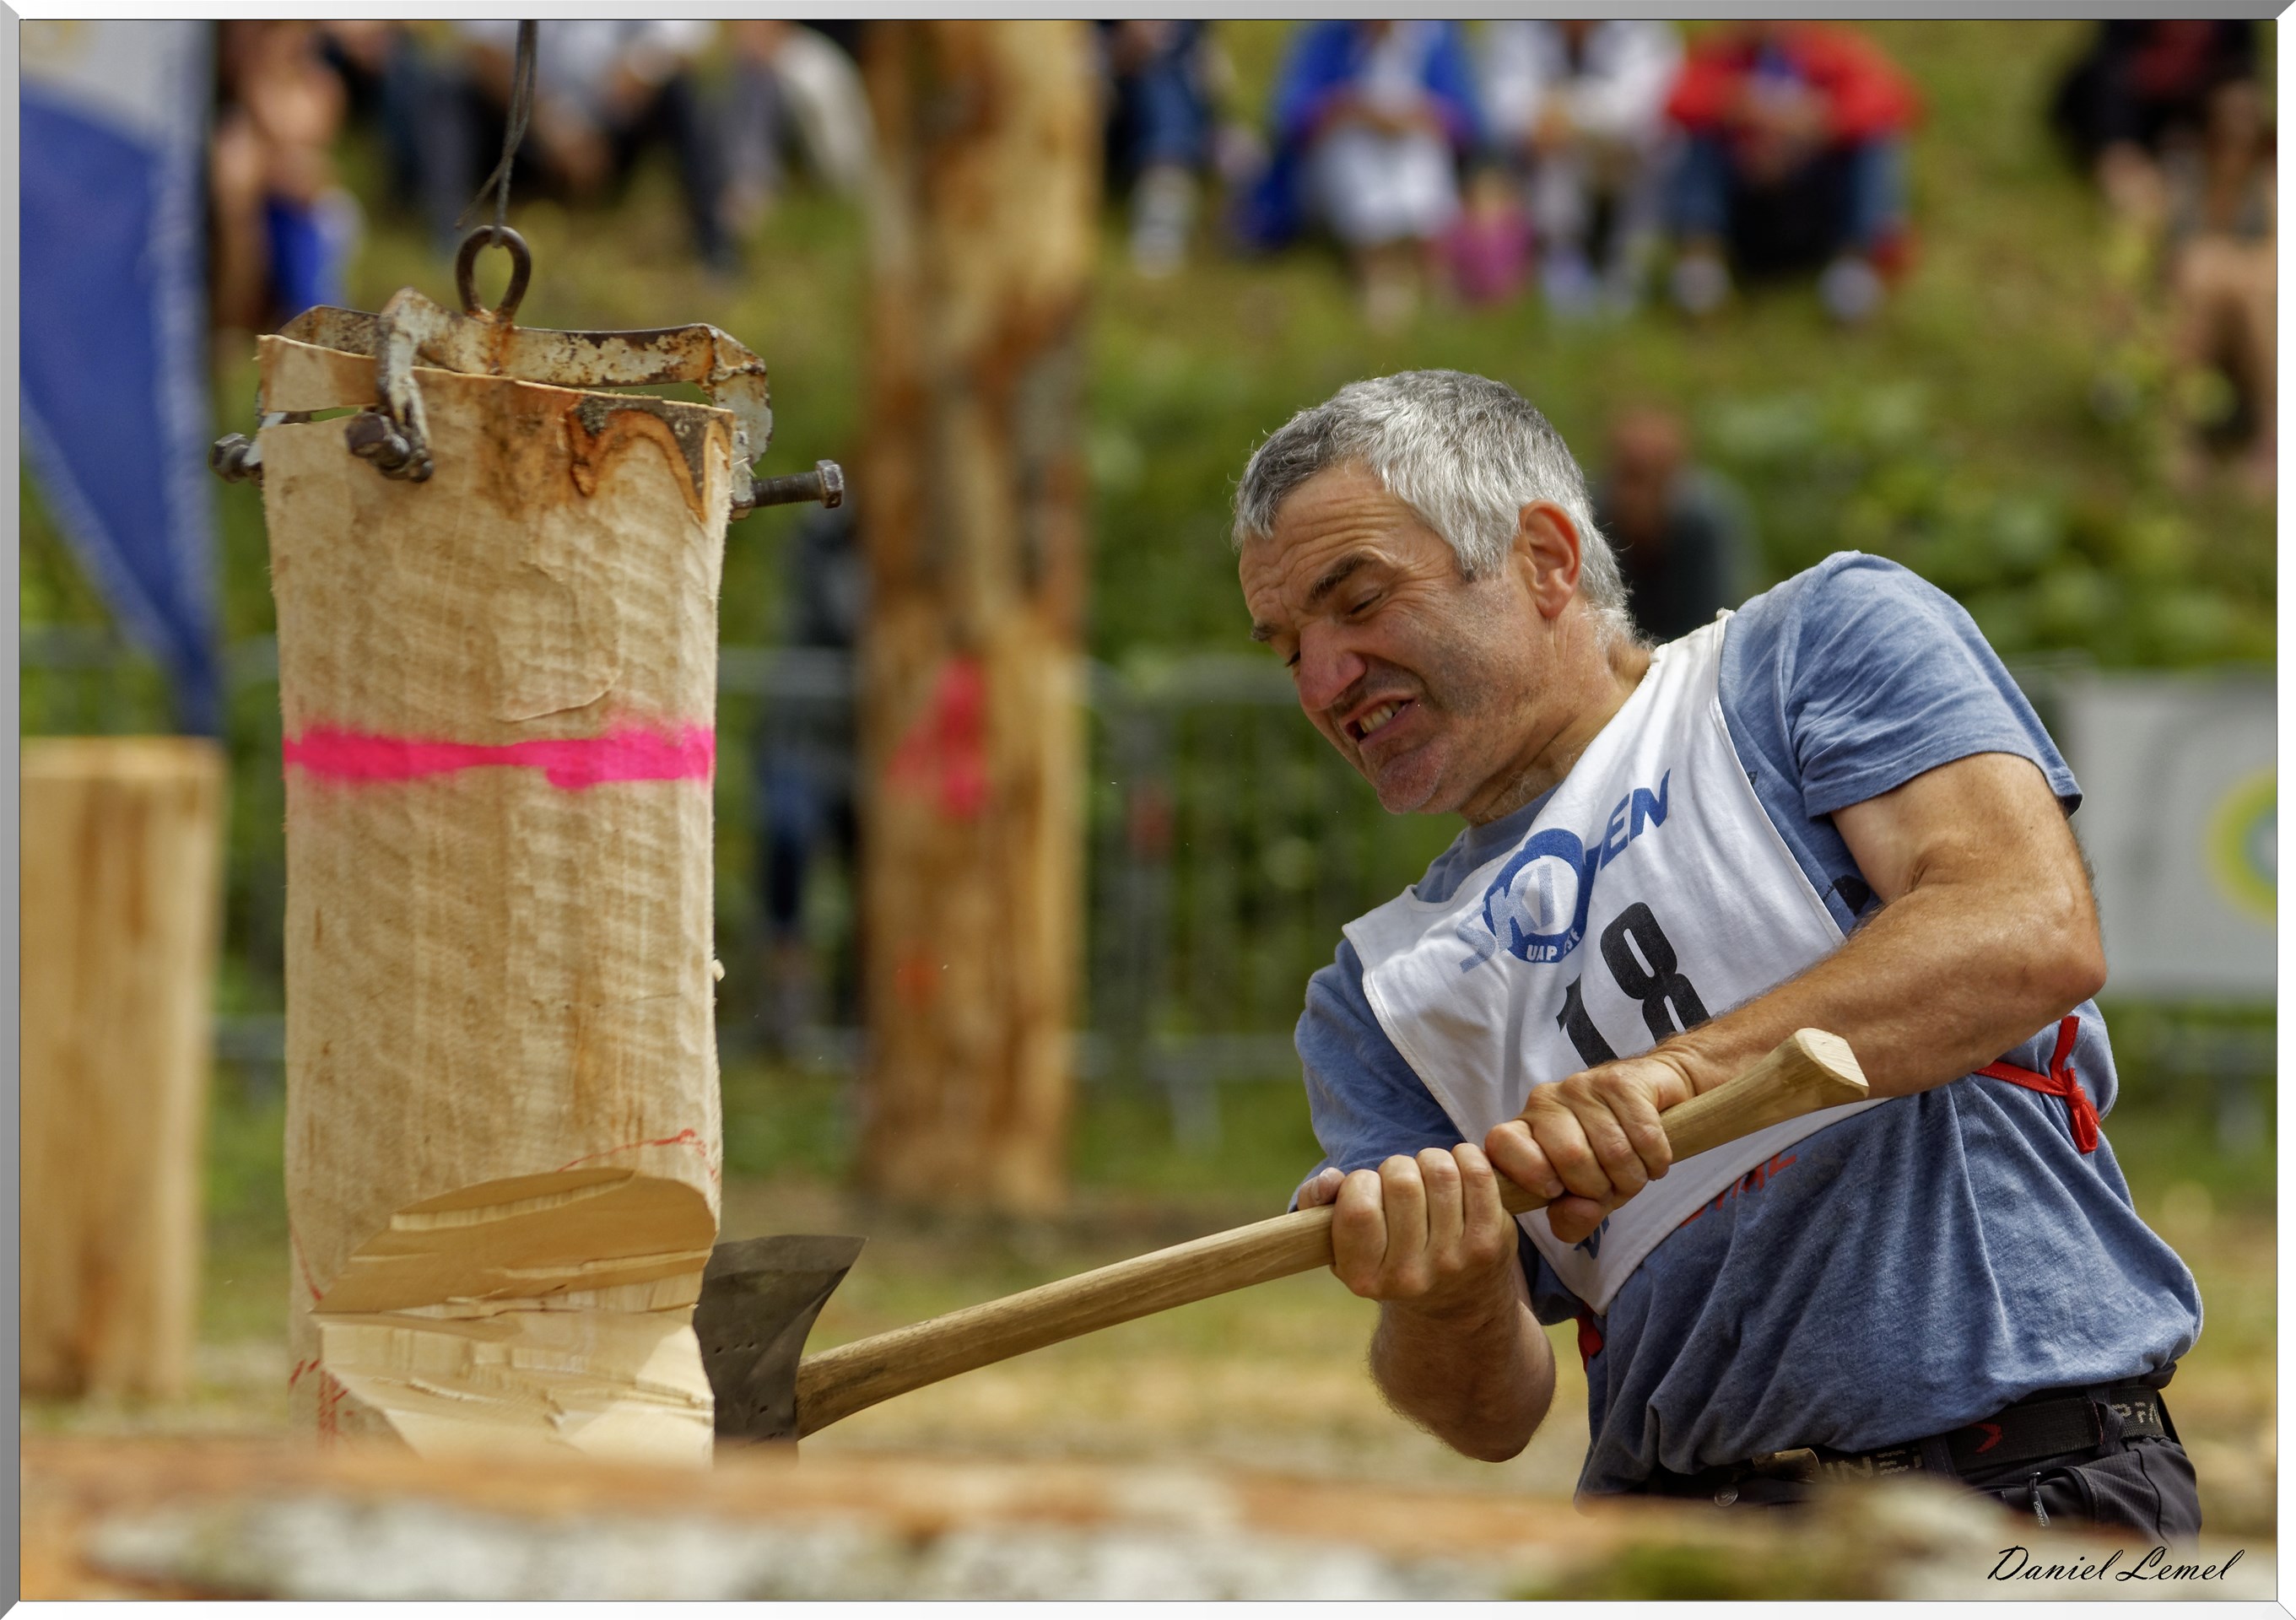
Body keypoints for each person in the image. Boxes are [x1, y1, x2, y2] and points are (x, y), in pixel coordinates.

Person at [1230, 370, 2201, 1536]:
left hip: (2019, 1489)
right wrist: (1445, 1294)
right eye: (1288, 649)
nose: (1324, 681)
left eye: (1359, 601)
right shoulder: (1374, 997)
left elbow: (2024, 929)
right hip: (1677, 1540)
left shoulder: (1806, 649)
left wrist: (1672, 1078)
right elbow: (1489, 1416)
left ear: (1543, 558)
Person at [1661, 22, 1918, 325]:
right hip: (1744, 209)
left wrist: (1820, 121)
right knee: (1698, 140)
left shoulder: (1830, 53)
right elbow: (1675, 103)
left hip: (1814, 206)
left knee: (1874, 143)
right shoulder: (1719, 58)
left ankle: (1855, 272)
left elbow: (1894, 101)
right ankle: (1700, 269)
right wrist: (1736, 105)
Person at [1255, 21, 1484, 330]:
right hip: (1331, 172)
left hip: (1411, 158)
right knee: (1352, 151)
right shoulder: (1326, 36)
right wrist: (1349, 109)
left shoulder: (1435, 37)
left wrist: (1420, 116)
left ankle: (1433, 268)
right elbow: (1289, 116)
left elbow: (1469, 122)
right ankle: (1376, 269)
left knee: (1422, 151)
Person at [1478, 20, 1682, 317]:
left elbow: (1644, 104)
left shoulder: (1643, 27)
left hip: (1626, 157)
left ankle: (1628, 266)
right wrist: (1541, 122)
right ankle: (1564, 263)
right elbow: (1500, 103)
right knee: (1556, 151)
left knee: (1661, 148)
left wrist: (1565, 112)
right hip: (1541, 158)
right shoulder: (1514, 26)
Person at [1591, 407, 1755, 641]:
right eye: (1624, 476)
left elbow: (1714, 626)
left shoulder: (1705, 525)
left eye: (1642, 479)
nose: (1630, 497)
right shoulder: (1594, 519)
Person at [1098, 21, 1222, 277]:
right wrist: (1112, 52)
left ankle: (1164, 193)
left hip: (1155, 94)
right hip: (1084, 92)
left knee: (1161, 73)